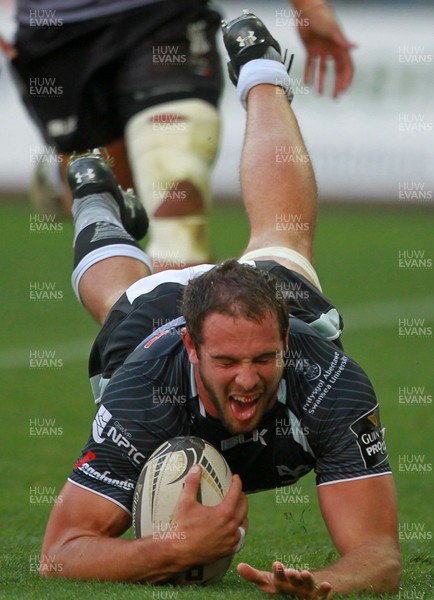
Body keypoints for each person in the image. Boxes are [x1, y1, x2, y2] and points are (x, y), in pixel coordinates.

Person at [40, 12, 400, 597]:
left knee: (283, 249)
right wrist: (165, 550)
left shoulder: (330, 380)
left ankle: (257, 62)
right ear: (193, 346)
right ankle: (94, 198)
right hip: (153, 324)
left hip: (268, 297)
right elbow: (58, 555)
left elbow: (379, 555)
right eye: (228, 362)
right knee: (121, 302)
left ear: (286, 343)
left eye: (264, 358)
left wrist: (327, 584)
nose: (248, 379)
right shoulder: (144, 394)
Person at [1, 0, 355, 270]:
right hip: (55, 33)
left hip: (164, 17)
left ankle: (182, 354)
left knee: (174, 189)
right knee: (114, 212)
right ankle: (62, 172)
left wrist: (309, 6)